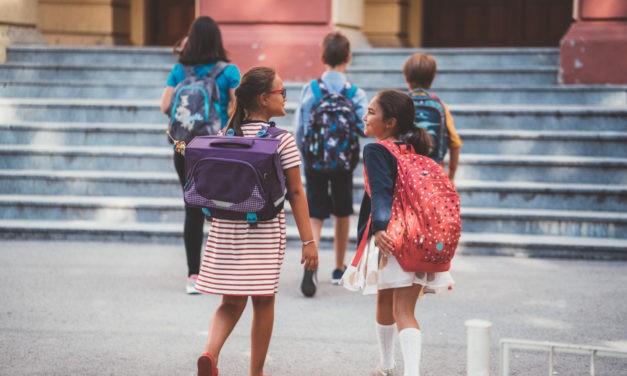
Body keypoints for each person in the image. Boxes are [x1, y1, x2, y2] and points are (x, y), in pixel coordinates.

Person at [194, 66, 319, 376]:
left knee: (230, 303)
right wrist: (309, 241)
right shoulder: (282, 141)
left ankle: (210, 353)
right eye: (281, 92)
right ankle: (256, 373)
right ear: (264, 99)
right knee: (263, 303)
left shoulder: (225, 136)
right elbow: (296, 192)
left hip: (226, 231)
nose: (285, 98)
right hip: (262, 232)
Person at [348, 90, 454, 375]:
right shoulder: (416, 151)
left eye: (371, 112)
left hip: (391, 237)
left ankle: (397, 368)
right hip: (419, 237)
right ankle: (388, 366)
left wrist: (379, 227)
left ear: (390, 122)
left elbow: (381, 192)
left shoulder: (375, 149)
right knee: (400, 306)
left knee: (394, 306)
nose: (365, 116)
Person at [160, 16, 241, 294]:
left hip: (183, 148)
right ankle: (222, 272)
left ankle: (193, 276)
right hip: (217, 148)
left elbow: (165, 106)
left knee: (192, 208)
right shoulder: (229, 71)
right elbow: (239, 108)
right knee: (225, 208)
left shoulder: (180, 70)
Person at [293, 31, 368, 296]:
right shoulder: (355, 93)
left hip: (315, 160)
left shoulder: (310, 89)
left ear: (322, 57)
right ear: (348, 56)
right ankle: (338, 268)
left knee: (315, 212)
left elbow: (300, 129)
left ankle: (311, 264)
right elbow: (364, 127)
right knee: (342, 211)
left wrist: (306, 156)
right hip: (344, 163)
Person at [402, 52, 462, 181]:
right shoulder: (440, 106)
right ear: (432, 78)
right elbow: (455, 143)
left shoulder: (399, 104)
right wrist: (450, 176)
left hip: (405, 174)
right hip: (433, 174)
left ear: (406, 77)